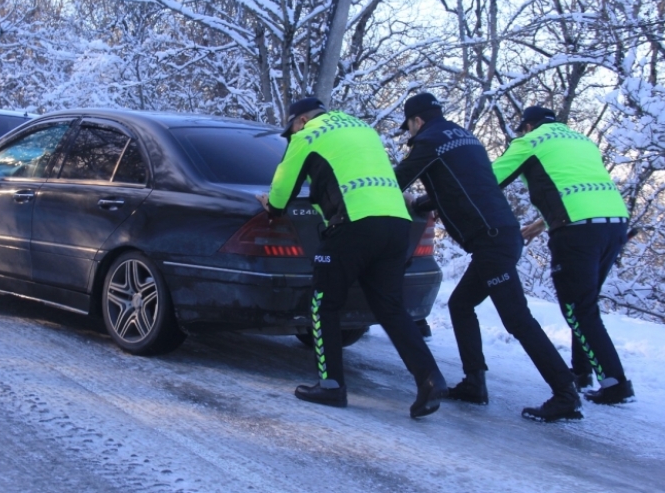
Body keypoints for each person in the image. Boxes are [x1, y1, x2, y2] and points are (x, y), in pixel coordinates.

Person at [393, 93, 581, 422]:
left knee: (517, 319)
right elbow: (461, 186)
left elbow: (396, 181)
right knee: (461, 304)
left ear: (417, 121)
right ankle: (474, 383)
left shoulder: (428, 142)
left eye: (409, 127)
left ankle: (565, 392)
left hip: (492, 243)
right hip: (500, 234)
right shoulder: (465, 138)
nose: (410, 134)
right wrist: (421, 205)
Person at [258, 96, 447, 418]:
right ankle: (429, 377)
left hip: (354, 225)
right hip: (396, 224)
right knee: (390, 307)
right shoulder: (362, 128)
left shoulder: (307, 136)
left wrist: (270, 204)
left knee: (324, 302)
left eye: (291, 130)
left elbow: (281, 192)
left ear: (300, 120)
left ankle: (331, 385)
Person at [493, 106, 634, 405]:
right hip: (615, 224)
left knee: (577, 308)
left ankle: (615, 383)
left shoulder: (529, 142)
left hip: (577, 231)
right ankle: (582, 373)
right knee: (584, 304)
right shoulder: (581, 140)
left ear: (528, 126)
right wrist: (541, 222)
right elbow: (577, 189)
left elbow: (489, 180)